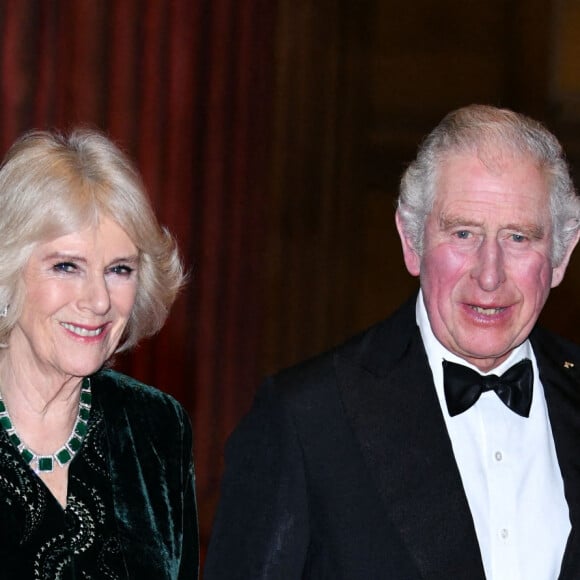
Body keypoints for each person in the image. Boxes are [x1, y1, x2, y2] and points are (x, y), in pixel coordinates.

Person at [204, 104, 580, 579]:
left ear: (561, 255)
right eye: (463, 233)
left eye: (519, 238)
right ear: (411, 240)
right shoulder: (308, 419)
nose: (490, 275)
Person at [0, 129, 199, 579]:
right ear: (7, 269)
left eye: (119, 270)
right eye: (66, 266)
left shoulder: (156, 428)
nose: (98, 300)